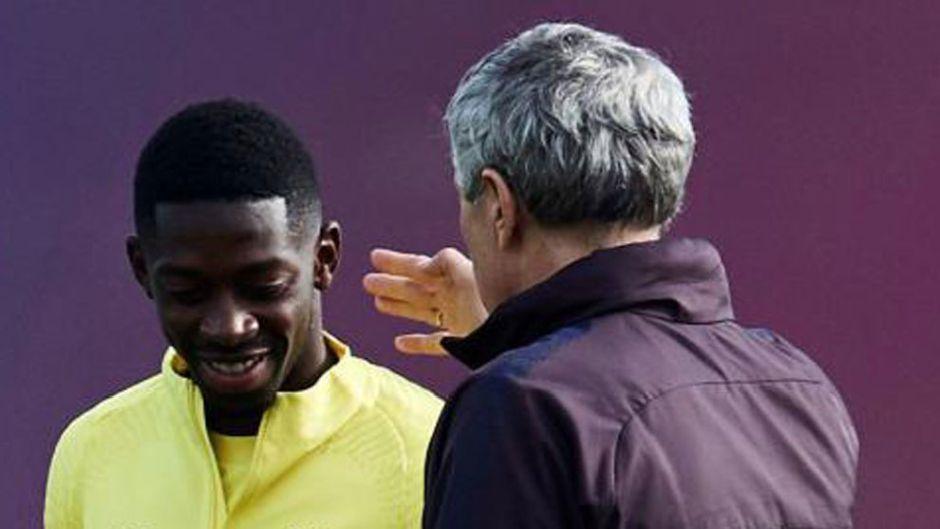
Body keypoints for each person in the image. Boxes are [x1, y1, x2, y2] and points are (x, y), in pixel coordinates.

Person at [364, 23, 859, 528]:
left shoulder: (519, 409)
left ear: (497, 205)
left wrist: (521, 368)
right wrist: (514, 338)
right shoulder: (796, 383)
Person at [45, 99, 443, 528]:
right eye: (188, 292)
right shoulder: (91, 452)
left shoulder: (428, 449)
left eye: (264, 287)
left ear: (323, 259)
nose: (230, 327)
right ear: (142, 270)